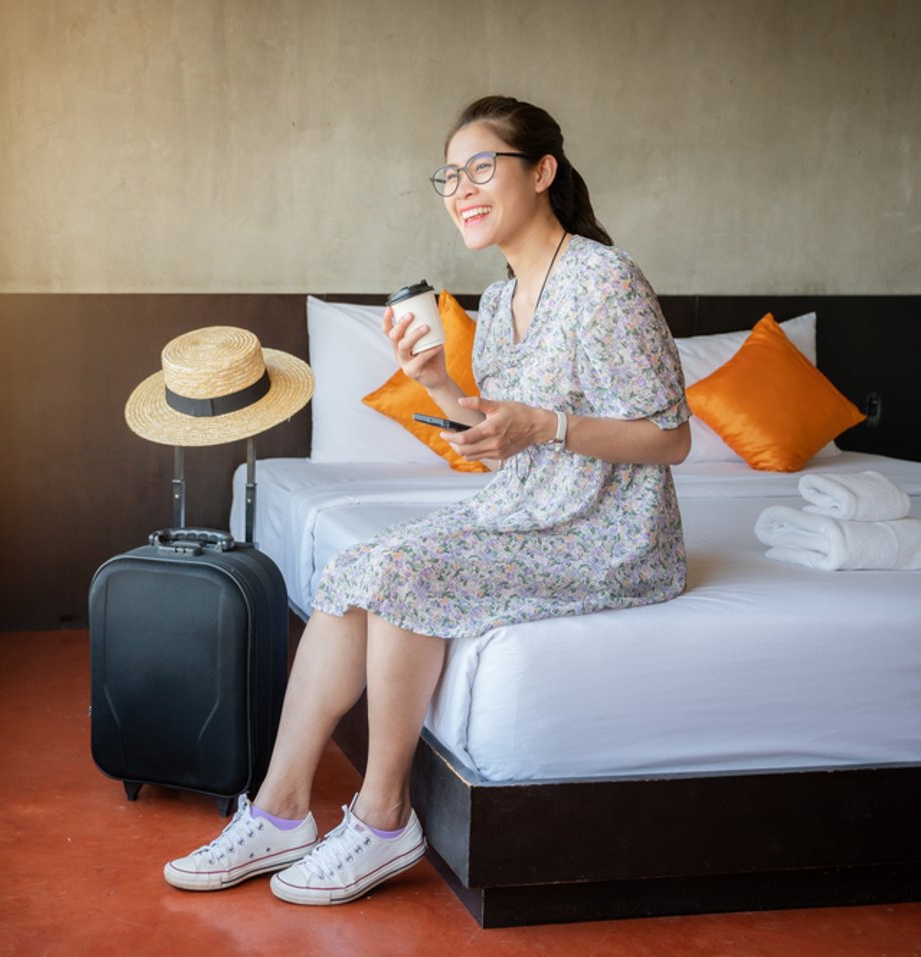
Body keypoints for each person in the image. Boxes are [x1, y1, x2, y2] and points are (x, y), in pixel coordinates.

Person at [162, 95, 691, 905]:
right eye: (450, 175)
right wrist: (439, 384)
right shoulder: (494, 301)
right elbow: (502, 437)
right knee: (354, 566)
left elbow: (669, 438)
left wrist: (543, 425)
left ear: (543, 172)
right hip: (528, 510)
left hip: (609, 530)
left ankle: (382, 818)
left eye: (483, 167)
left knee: (409, 568)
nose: (462, 189)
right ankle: (280, 808)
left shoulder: (605, 280)